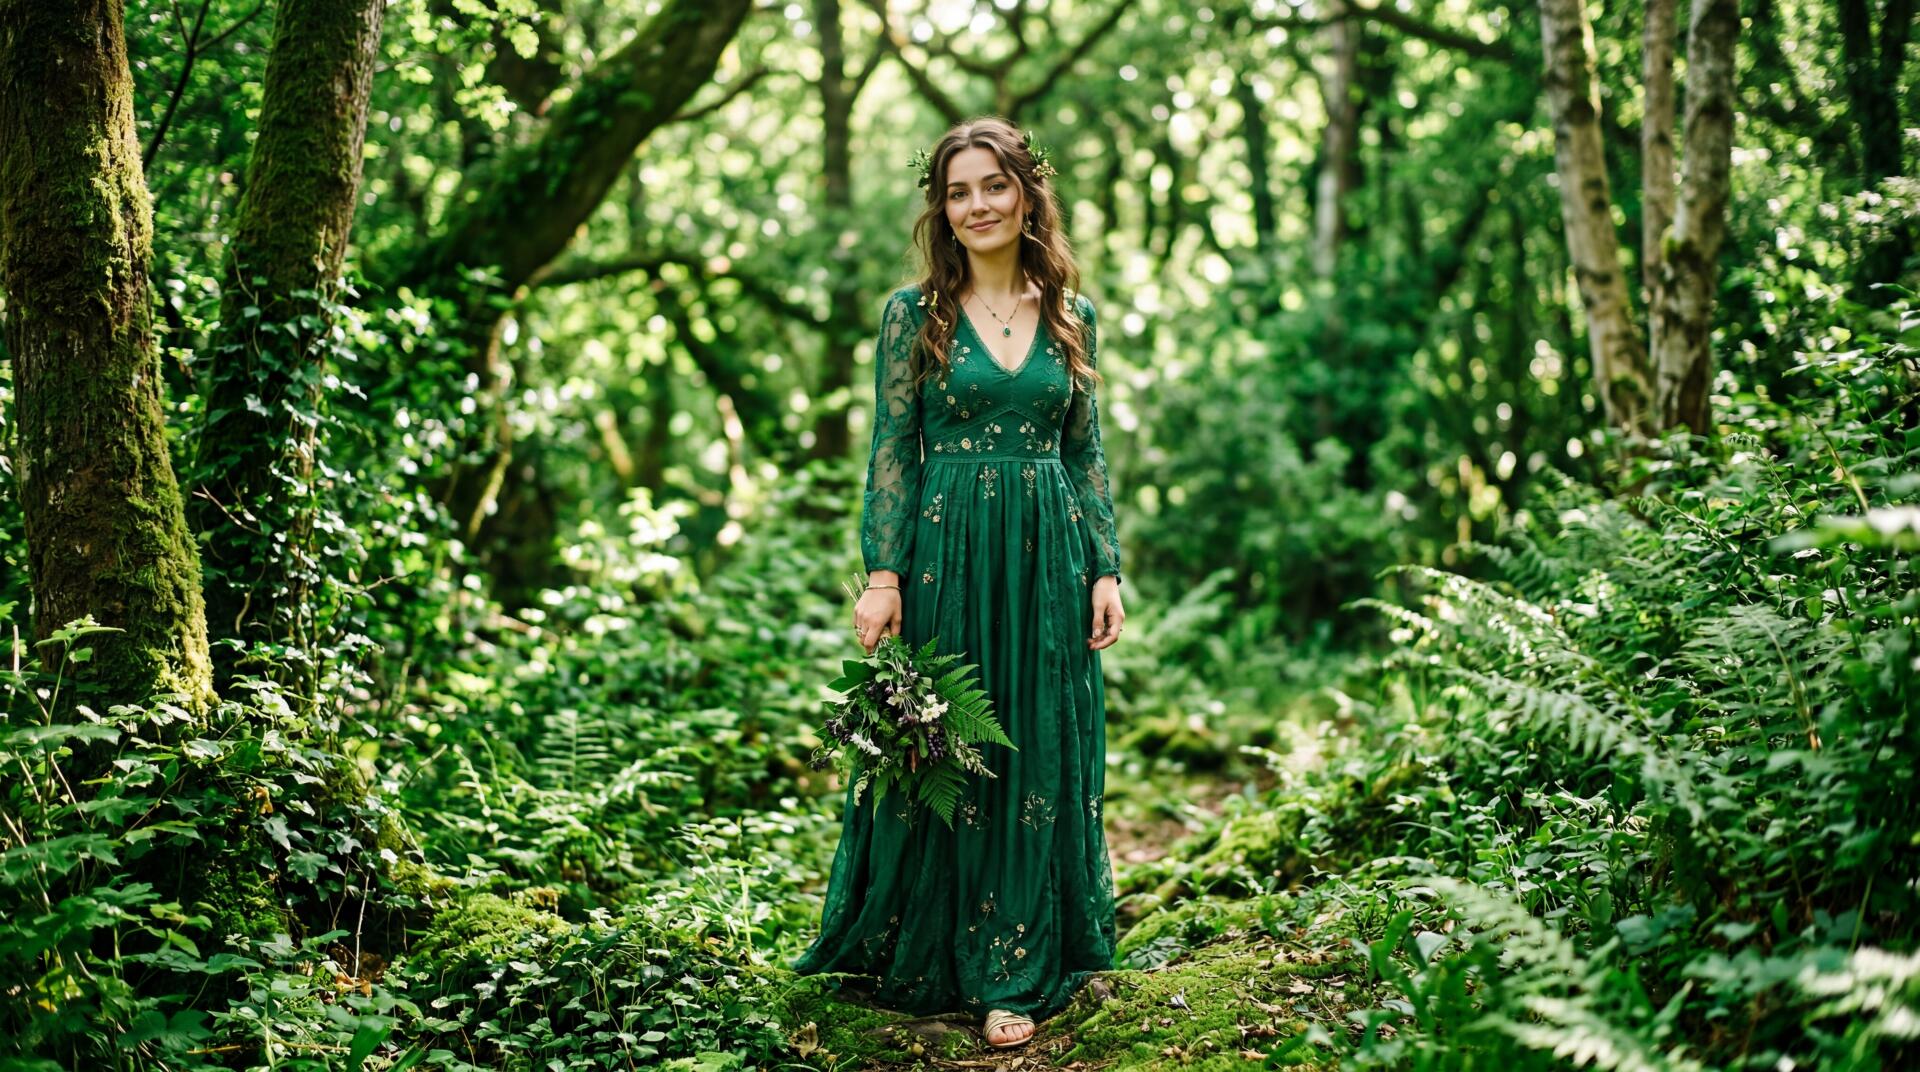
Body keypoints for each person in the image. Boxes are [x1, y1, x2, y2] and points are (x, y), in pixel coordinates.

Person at [792, 116, 1126, 1051]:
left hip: (1048, 555)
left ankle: (1013, 968)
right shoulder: (915, 315)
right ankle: (936, 953)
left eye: (993, 186)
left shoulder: (1072, 314)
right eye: (957, 191)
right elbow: (893, 448)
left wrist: (1105, 564)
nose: (976, 205)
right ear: (942, 208)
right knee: (944, 753)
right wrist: (883, 573)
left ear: (1027, 194)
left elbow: (1085, 449)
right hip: (947, 553)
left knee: (1036, 750)